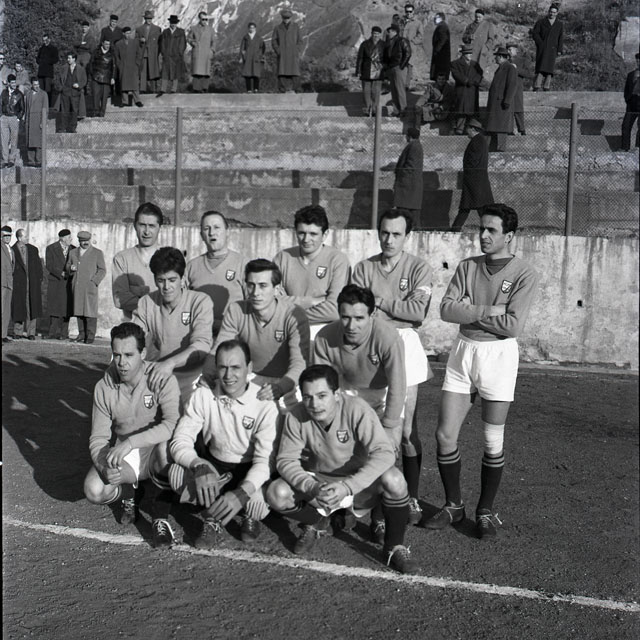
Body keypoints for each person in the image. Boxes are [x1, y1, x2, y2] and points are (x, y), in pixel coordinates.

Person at [421, 203, 539, 539]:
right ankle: (454, 505)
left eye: (491, 230)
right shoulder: (467, 266)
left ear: (509, 236)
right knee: (444, 435)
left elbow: (512, 325)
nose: (483, 235)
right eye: (480, 229)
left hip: (498, 356)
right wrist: (489, 310)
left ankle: (485, 511)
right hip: (463, 353)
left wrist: (469, 311)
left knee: (492, 441)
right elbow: (447, 310)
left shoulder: (524, 273)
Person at [266, 364, 419, 574]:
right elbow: (286, 460)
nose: (314, 404)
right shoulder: (296, 415)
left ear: (336, 394)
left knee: (395, 480)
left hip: (356, 485)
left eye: (322, 396)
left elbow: (384, 453)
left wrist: (347, 487)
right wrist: (312, 487)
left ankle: (394, 547)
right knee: (276, 493)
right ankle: (319, 521)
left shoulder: (357, 409)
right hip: (319, 486)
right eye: (308, 397)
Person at [352, 209, 433, 525]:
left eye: (396, 234)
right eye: (384, 232)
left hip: (405, 346)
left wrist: (379, 303)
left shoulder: (419, 268)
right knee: (371, 428)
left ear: (406, 236)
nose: (389, 239)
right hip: (370, 345)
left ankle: (410, 497)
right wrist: (393, 309)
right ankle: (372, 502)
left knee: (406, 431)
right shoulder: (363, 268)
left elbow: (417, 312)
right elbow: (358, 312)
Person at [169, 339, 279, 547]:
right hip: (215, 466)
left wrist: (243, 492)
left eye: (236, 367)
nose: (229, 375)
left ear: (249, 368)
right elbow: (180, 440)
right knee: (176, 474)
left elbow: (266, 460)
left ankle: (248, 514)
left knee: (258, 501)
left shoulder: (264, 404)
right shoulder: (203, 394)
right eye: (223, 367)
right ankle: (212, 517)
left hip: (248, 468)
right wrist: (198, 465)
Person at [83, 322, 181, 548]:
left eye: (128, 355)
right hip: (126, 453)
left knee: (167, 450)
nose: (122, 362)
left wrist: (130, 443)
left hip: (156, 448)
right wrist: (104, 468)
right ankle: (129, 492)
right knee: (93, 490)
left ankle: (160, 518)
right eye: (117, 355)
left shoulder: (161, 377)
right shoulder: (103, 387)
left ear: (143, 353)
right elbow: (98, 438)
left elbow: (171, 425)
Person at [202, 259, 310, 413]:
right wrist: (207, 375)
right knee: (205, 396)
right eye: (251, 285)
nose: (255, 293)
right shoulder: (236, 310)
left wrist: (281, 387)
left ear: (277, 289)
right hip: (249, 378)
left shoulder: (294, 315)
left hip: (286, 382)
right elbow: (219, 349)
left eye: (263, 286)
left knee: (287, 421)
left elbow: (299, 363)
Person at [313, 285, 406, 450]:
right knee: (332, 450)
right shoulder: (324, 337)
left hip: (383, 396)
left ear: (372, 314)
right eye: (345, 317)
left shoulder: (388, 337)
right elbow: (320, 387)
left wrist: (389, 426)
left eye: (359, 318)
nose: (351, 326)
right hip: (345, 393)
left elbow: (397, 386)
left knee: (385, 451)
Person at [132, 247, 213, 403]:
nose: (166, 287)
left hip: (194, 377)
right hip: (159, 374)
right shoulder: (146, 302)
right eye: (161, 280)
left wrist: (170, 363)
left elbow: (202, 345)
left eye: (172, 280)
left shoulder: (200, 301)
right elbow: (133, 339)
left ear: (182, 278)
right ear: (155, 279)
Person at [273, 205, 350, 342]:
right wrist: (311, 301)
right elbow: (273, 302)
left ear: (325, 234)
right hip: (288, 329)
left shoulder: (338, 260)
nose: (306, 239)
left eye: (313, 234)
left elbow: (335, 310)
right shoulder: (282, 258)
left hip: (325, 332)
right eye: (301, 233)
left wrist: (289, 311)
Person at [185, 210, 246, 336]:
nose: (212, 233)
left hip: (233, 337)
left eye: (216, 227)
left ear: (227, 232)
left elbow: (252, 305)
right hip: (199, 336)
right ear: (201, 235)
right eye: (206, 228)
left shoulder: (242, 264)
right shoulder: (191, 266)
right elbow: (183, 304)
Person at [112, 202, 163, 319]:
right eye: (142, 225)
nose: (146, 231)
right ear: (135, 226)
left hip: (164, 327)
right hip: (134, 328)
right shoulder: (122, 259)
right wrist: (158, 301)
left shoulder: (170, 259)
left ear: (159, 228)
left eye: (151, 226)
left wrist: (138, 293)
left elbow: (178, 297)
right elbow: (120, 299)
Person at [450, 119, 494, 233]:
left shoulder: (476, 141)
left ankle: (455, 230)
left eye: (468, 128)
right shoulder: (480, 140)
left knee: (474, 206)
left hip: (474, 179)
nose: (466, 131)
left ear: (473, 129)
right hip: (477, 179)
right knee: (470, 206)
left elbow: (473, 161)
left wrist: (468, 170)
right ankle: (455, 229)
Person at [68, 231, 106, 344]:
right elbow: (68, 266)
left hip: (90, 287)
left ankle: (90, 336)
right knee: (78, 311)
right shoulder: (73, 252)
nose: (85, 243)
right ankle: (81, 334)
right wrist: (70, 268)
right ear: (79, 241)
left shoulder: (97, 253)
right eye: (83, 241)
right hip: (77, 286)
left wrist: (94, 281)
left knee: (90, 312)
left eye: (87, 241)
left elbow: (102, 270)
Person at [11, 229, 43, 340]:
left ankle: (31, 333)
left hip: (32, 284)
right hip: (19, 284)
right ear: (19, 238)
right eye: (25, 236)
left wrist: (38, 279)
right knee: (19, 306)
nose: (27, 238)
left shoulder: (33, 249)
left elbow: (39, 266)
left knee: (32, 307)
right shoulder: (12, 250)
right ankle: (18, 331)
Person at [485, 47, 517, 152]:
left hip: (502, 104)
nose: (495, 58)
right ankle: (494, 150)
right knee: (494, 128)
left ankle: (500, 151)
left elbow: (512, 85)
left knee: (501, 128)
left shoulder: (510, 68)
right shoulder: (501, 68)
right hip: (497, 104)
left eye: (497, 56)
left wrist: (507, 101)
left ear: (501, 57)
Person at [45, 229, 75, 340]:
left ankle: (64, 333)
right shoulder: (51, 248)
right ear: (62, 239)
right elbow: (49, 265)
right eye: (69, 237)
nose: (71, 239)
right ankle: (52, 333)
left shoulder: (74, 249)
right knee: (54, 308)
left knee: (67, 308)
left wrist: (71, 272)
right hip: (56, 281)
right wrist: (60, 273)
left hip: (68, 282)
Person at [450, 45, 483, 135]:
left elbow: (480, 73)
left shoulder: (475, 64)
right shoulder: (455, 63)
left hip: (472, 91)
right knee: (462, 110)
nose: (470, 55)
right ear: (463, 54)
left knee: (471, 111)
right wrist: (467, 81)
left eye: (471, 53)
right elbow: (456, 75)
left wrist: (475, 81)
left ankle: (469, 128)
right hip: (462, 91)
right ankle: (459, 129)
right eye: (468, 53)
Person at [532, 4, 564, 92]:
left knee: (550, 69)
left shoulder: (559, 24)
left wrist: (559, 49)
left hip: (552, 49)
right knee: (540, 67)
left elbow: (560, 37)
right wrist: (540, 43)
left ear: (557, 13)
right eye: (550, 12)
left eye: (554, 12)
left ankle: (546, 87)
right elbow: (535, 34)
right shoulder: (540, 22)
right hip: (542, 49)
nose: (552, 14)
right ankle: (537, 86)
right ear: (548, 12)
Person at [53, 52, 87, 133]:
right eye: (68, 58)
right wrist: (61, 88)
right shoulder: (63, 68)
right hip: (65, 92)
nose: (68, 60)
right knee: (64, 111)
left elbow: (84, 80)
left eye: (69, 58)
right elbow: (58, 79)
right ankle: (63, 128)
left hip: (75, 93)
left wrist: (79, 85)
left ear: (74, 59)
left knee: (74, 111)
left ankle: (72, 128)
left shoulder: (80, 69)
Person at [393, 128, 423, 216]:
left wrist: (401, 175)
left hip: (407, 185)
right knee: (409, 212)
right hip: (409, 185)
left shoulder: (414, 146)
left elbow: (411, 166)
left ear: (409, 136)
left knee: (405, 212)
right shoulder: (415, 145)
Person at [355, 26, 385, 116]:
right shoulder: (364, 44)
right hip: (366, 69)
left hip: (378, 70)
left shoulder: (384, 45)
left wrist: (385, 69)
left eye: (377, 34)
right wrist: (358, 71)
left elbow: (387, 58)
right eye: (374, 33)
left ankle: (375, 110)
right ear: (371, 34)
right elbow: (360, 58)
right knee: (366, 91)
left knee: (376, 91)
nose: (376, 35)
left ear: (380, 35)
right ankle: (367, 109)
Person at [272, 9, 303, 94]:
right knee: (282, 72)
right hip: (282, 54)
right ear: (282, 18)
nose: (286, 19)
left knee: (295, 72)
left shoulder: (296, 27)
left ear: (291, 18)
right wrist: (278, 50)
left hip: (293, 53)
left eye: (288, 18)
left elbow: (300, 40)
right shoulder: (277, 28)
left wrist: (297, 50)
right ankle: (282, 89)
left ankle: (297, 89)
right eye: (285, 18)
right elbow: (274, 41)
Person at [383, 24, 411, 117]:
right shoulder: (389, 42)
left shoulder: (402, 40)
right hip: (391, 68)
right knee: (394, 90)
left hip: (399, 67)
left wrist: (402, 66)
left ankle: (403, 110)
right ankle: (396, 110)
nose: (388, 33)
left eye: (390, 31)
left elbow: (408, 53)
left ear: (395, 32)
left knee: (400, 89)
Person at [157, 15, 187, 96]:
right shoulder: (165, 32)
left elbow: (183, 43)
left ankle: (173, 89)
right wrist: (164, 52)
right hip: (167, 55)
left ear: (177, 23)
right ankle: (163, 89)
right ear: (170, 23)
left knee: (176, 72)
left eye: (175, 23)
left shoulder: (181, 32)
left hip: (176, 55)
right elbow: (162, 43)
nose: (173, 24)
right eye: (172, 22)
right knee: (165, 72)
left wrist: (180, 53)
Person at [114, 27, 144, 108]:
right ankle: (124, 101)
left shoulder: (135, 42)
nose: (128, 35)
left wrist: (137, 64)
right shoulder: (118, 44)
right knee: (124, 84)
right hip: (123, 66)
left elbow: (139, 54)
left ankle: (137, 100)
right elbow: (116, 57)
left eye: (129, 33)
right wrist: (119, 65)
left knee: (135, 84)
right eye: (127, 33)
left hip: (133, 66)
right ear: (123, 33)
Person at [0, 74, 24, 168]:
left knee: (14, 139)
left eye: (15, 82)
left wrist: (18, 118)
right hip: (4, 117)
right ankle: (4, 160)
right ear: (8, 83)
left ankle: (11, 159)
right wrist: (1, 116)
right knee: (4, 140)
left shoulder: (19, 94)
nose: (14, 84)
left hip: (14, 117)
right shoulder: (4, 93)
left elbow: (22, 108)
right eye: (12, 83)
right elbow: (0, 104)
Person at [188, 12, 215, 93]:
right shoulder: (193, 28)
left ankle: (204, 88)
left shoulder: (211, 30)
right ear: (199, 19)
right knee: (197, 72)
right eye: (203, 19)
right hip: (198, 52)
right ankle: (196, 89)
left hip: (206, 53)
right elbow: (189, 38)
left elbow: (214, 41)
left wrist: (212, 51)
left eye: (206, 19)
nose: (205, 21)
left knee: (206, 72)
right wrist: (192, 43)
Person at [24, 77, 48, 166]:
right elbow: (26, 108)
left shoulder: (43, 94)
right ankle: (30, 160)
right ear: (31, 85)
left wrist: (43, 121)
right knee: (29, 141)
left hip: (38, 119)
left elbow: (45, 109)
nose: (37, 86)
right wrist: (26, 120)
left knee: (38, 141)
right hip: (29, 119)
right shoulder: (28, 94)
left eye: (38, 84)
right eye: (35, 85)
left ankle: (38, 160)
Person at [399, 4, 424, 91]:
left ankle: (406, 85)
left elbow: (421, 36)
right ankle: (400, 84)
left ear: (413, 12)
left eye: (410, 11)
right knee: (400, 65)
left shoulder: (417, 23)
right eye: (407, 11)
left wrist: (412, 41)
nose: (408, 13)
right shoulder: (401, 22)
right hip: (400, 47)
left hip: (411, 48)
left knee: (409, 65)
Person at [136, 10, 161, 94]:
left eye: (150, 18)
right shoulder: (139, 29)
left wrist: (157, 52)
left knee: (153, 71)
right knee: (143, 72)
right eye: (147, 18)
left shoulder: (157, 29)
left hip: (153, 53)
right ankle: (142, 89)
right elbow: (135, 41)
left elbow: (160, 42)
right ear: (145, 19)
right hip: (143, 53)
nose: (149, 20)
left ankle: (153, 89)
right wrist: (140, 40)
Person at [89, 38, 115, 118]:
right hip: (96, 77)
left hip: (107, 77)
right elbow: (91, 64)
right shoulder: (96, 52)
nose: (108, 46)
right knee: (95, 95)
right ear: (102, 43)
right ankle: (95, 112)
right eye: (106, 44)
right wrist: (93, 74)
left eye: (109, 44)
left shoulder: (112, 53)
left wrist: (113, 77)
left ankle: (102, 113)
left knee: (104, 97)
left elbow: (114, 66)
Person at [506, 42, 528, 135]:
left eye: (510, 49)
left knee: (518, 109)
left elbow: (528, 73)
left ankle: (522, 129)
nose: (509, 52)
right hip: (508, 88)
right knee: (509, 109)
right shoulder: (505, 61)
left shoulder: (522, 61)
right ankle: (509, 130)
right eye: (508, 50)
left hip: (518, 88)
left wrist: (516, 69)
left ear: (516, 50)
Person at [621, 53, 640, 152]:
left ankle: (638, 148)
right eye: (637, 60)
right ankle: (625, 148)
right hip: (632, 103)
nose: (638, 62)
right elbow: (627, 90)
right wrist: (628, 100)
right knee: (626, 126)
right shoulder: (631, 74)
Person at [239, 22, 266, 94]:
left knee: (256, 74)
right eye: (250, 28)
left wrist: (260, 55)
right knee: (247, 74)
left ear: (255, 28)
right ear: (248, 28)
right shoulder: (245, 37)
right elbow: (242, 47)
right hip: (247, 58)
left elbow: (262, 47)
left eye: (253, 28)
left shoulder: (259, 38)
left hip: (256, 58)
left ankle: (256, 89)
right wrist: (242, 56)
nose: (252, 29)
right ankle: (249, 90)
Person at [36, 34, 59, 102]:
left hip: (48, 72)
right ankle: (41, 103)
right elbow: (37, 58)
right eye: (43, 40)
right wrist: (40, 61)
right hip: (41, 72)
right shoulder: (41, 49)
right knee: (41, 89)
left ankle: (48, 104)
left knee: (48, 89)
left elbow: (56, 59)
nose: (45, 42)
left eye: (46, 40)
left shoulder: (53, 49)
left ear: (49, 39)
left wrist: (47, 61)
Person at [1, 225, 14, 343]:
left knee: (6, 310)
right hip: (2, 282)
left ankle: (3, 334)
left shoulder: (11, 250)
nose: (7, 238)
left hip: (9, 283)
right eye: (5, 235)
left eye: (9, 235)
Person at [430, 12, 450, 81]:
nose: (434, 19)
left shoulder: (442, 27)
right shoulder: (442, 26)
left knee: (440, 72)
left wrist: (437, 50)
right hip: (441, 53)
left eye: (436, 17)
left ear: (441, 18)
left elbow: (443, 39)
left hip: (441, 54)